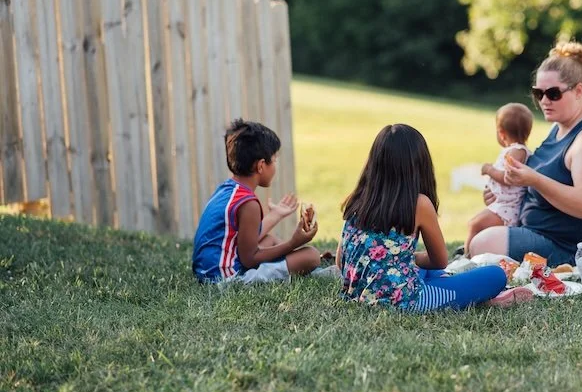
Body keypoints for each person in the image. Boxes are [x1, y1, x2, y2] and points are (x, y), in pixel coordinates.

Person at [469, 42, 582, 266]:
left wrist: (533, 179)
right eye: (538, 93)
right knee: (481, 234)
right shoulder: (561, 127)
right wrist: (506, 191)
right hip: (542, 234)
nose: (544, 101)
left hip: (578, 250)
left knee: (482, 243)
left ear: (579, 91)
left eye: (553, 94)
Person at [335, 124, 509, 312]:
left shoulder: (358, 197)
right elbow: (439, 260)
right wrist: (411, 258)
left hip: (356, 294)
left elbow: (340, 261)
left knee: (427, 270)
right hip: (405, 302)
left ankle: (448, 284)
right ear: (420, 164)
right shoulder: (419, 203)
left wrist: (402, 258)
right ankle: (471, 295)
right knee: (495, 275)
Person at [192, 119, 320, 283]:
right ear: (261, 166)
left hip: (208, 272)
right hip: (226, 280)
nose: (275, 165)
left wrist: (275, 215)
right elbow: (249, 259)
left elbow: (249, 237)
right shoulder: (248, 203)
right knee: (311, 255)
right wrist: (292, 243)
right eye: (274, 160)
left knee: (270, 240)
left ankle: (300, 267)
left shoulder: (228, 189)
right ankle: (304, 267)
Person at [462, 103, 534, 255]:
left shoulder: (517, 151)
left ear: (502, 133)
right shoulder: (514, 150)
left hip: (507, 209)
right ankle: (471, 254)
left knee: (475, 224)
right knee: (477, 225)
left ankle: (466, 258)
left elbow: (508, 177)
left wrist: (489, 169)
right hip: (501, 205)